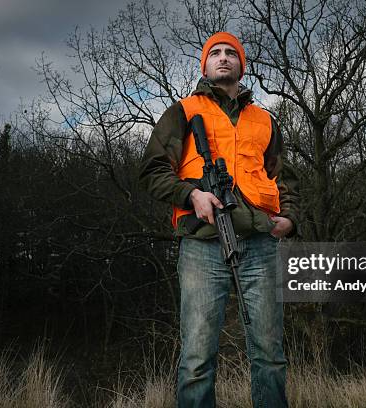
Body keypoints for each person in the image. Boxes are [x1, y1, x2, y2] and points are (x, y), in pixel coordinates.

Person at [139, 31, 299, 408]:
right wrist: (191, 194)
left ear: (241, 65)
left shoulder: (264, 120)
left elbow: (284, 177)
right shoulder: (183, 111)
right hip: (202, 245)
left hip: (260, 243)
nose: (224, 58)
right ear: (206, 65)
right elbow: (151, 170)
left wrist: (289, 218)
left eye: (231, 53)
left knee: (270, 355)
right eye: (216, 53)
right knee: (196, 358)